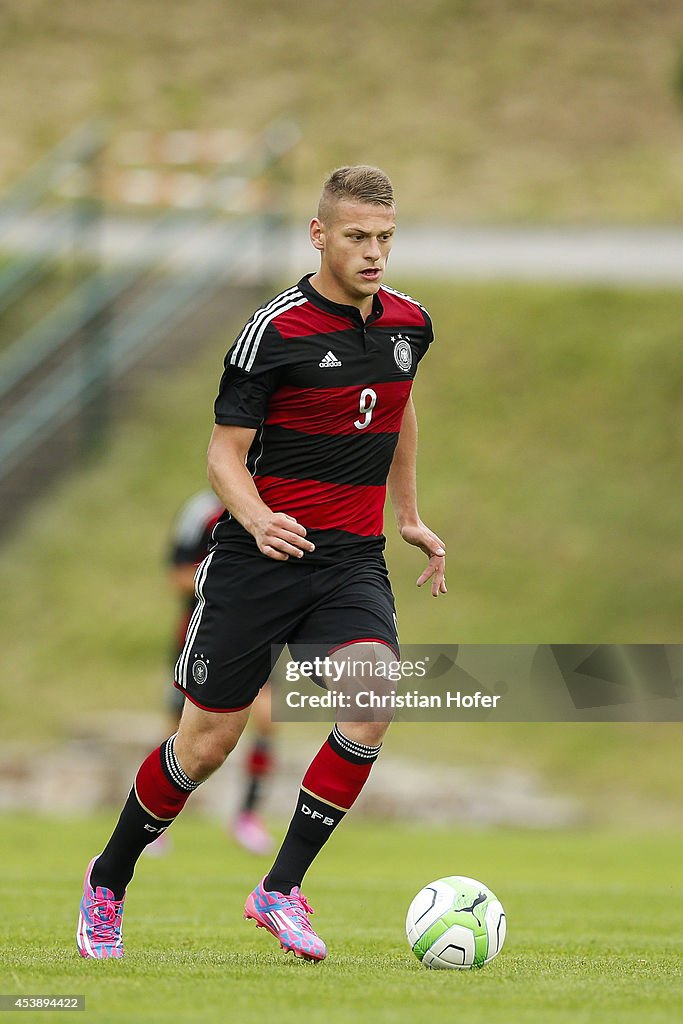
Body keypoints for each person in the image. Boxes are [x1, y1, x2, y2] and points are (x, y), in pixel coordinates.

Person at [76, 164, 446, 963]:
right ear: (319, 236)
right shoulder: (273, 331)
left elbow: (400, 403)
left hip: (350, 562)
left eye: (384, 237)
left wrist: (408, 515)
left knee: (373, 695)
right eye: (357, 237)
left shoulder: (409, 324)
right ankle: (108, 881)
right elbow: (222, 453)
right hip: (256, 562)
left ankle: (278, 890)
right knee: (206, 746)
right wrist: (255, 517)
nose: (374, 252)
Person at [149, 489, 275, 856]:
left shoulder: (276, 501)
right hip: (202, 632)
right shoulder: (203, 511)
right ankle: (155, 822)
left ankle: (248, 816)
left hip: (259, 632)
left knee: (267, 716)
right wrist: (231, 579)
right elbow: (177, 576)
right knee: (178, 727)